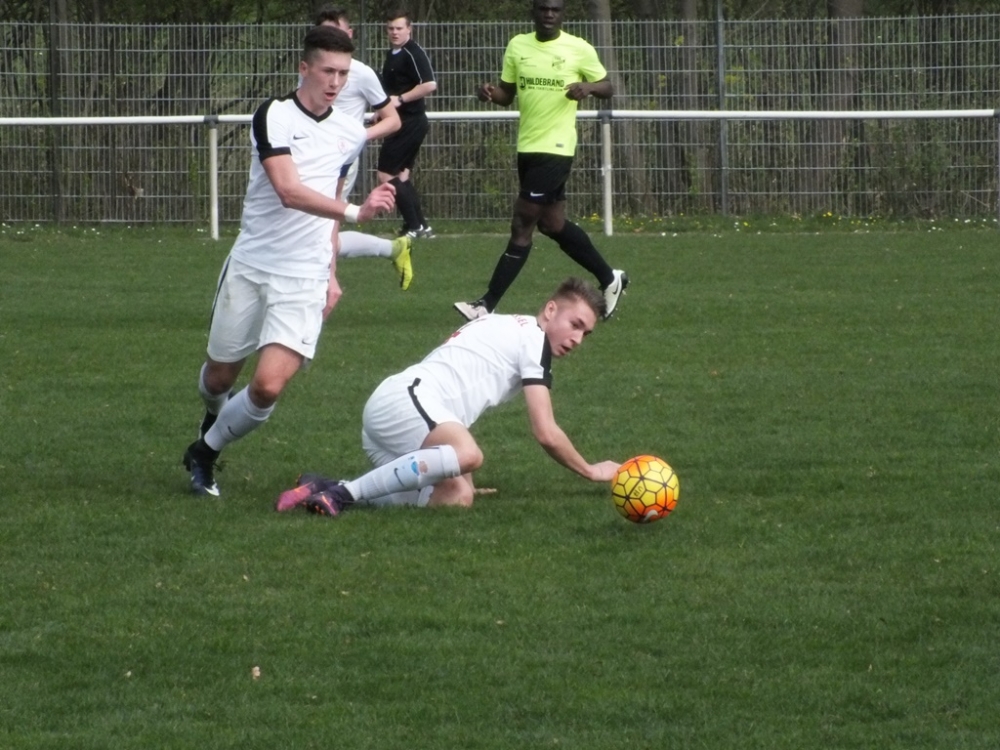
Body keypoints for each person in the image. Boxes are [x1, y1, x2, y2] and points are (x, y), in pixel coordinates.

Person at [182, 25, 396, 497]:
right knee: (218, 379)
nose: (336, 82)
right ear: (304, 68)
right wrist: (357, 212)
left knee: (267, 387)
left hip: (305, 275)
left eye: (344, 73)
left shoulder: (350, 132)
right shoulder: (274, 115)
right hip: (252, 265)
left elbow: (332, 204)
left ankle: (204, 453)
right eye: (327, 71)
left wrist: (332, 274)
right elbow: (288, 190)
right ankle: (214, 416)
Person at [275, 277, 622, 515]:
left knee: (457, 496)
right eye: (575, 324)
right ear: (550, 310)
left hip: (402, 414)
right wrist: (591, 470)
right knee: (469, 454)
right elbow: (546, 431)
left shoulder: (508, 324)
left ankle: (326, 486)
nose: (578, 339)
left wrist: (457, 472)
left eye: (586, 333)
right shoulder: (534, 340)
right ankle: (343, 495)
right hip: (405, 402)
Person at [454, 0, 628, 322]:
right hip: (528, 146)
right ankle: (610, 278)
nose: (549, 14)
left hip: (557, 148)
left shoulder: (578, 48)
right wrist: (490, 94)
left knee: (522, 223)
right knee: (552, 224)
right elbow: (507, 94)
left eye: (555, 9)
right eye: (543, 8)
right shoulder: (518, 46)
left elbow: (608, 87)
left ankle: (485, 304)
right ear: (533, 12)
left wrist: (588, 87)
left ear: (563, 14)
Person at [313, 6, 414, 291]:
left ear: (349, 34)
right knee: (311, 231)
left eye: (336, 32)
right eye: (324, 33)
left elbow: (392, 121)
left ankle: (324, 284)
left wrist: (357, 137)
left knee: (322, 227)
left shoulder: (361, 73)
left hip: (341, 162)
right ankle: (393, 248)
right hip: (311, 157)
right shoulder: (311, 70)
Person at [377, 8, 437, 239]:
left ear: (409, 29)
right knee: (401, 176)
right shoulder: (392, 53)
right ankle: (421, 227)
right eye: (391, 28)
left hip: (410, 122)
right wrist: (382, 111)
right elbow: (392, 90)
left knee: (385, 174)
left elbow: (429, 84)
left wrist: (400, 100)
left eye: (399, 28)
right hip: (399, 121)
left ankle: (414, 227)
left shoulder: (413, 52)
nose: (395, 32)